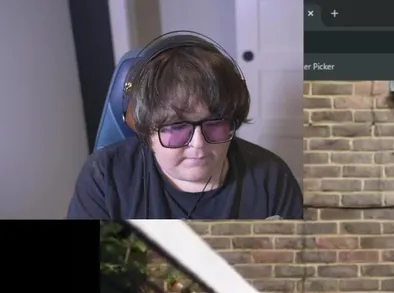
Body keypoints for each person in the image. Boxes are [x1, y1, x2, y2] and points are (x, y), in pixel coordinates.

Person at [67, 36, 302, 220]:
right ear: (146, 130)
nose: (198, 144)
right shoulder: (104, 177)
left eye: (215, 123)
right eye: (177, 127)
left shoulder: (272, 178)